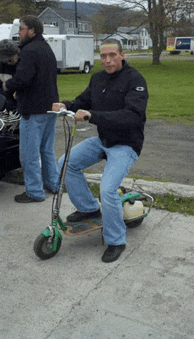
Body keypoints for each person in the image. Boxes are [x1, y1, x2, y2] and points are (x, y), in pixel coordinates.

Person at [52, 39, 148, 263]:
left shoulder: (135, 80)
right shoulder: (97, 78)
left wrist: (93, 116)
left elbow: (132, 115)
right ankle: (88, 209)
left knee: (107, 189)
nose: (107, 60)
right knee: (65, 163)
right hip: (103, 140)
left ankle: (116, 240)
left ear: (122, 55)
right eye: (103, 56)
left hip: (126, 144)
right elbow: (83, 100)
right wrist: (66, 105)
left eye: (112, 55)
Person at [1, 15, 60, 203]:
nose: (20, 32)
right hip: (50, 107)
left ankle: (34, 192)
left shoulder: (28, 50)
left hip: (33, 110)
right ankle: (54, 184)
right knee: (47, 150)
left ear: (32, 30)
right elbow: (39, 78)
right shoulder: (46, 48)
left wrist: (8, 86)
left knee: (29, 153)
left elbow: (23, 78)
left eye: (22, 28)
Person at [0, 39, 20, 111]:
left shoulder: (21, 66)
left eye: (10, 60)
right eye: (5, 60)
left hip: (18, 103)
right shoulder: (2, 66)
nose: (8, 63)